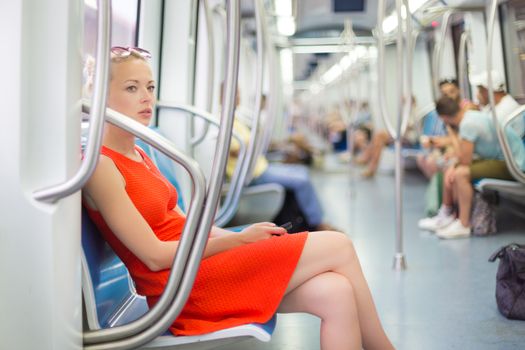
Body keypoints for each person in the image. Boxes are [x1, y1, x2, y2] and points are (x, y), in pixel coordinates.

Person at [82, 47, 395, 350]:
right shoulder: (102, 165)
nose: (147, 97)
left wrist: (238, 237)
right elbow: (154, 256)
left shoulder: (139, 153)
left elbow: (182, 223)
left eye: (150, 87)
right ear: (100, 97)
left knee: (335, 292)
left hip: (197, 265)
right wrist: (238, 241)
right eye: (132, 88)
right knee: (338, 244)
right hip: (181, 285)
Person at [418, 96, 525, 239]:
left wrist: (452, 139)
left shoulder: (467, 124)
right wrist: (453, 165)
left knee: (461, 173)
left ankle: (463, 225)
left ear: (444, 118)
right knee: (452, 168)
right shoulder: (470, 117)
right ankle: (447, 214)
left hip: (514, 163)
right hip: (502, 160)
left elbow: (464, 160)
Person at [227, 96, 334, 232]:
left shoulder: (237, 120)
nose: (238, 98)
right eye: (235, 94)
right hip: (254, 174)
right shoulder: (225, 122)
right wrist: (253, 143)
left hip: (261, 166)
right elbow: (235, 149)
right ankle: (317, 223)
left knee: (303, 171)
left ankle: (314, 218)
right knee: (302, 181)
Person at [470, 69, 524, 137]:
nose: (477, 96)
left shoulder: (506, 109)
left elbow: (482, 133)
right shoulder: (494, 105)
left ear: (486, 91)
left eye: (479, 91)